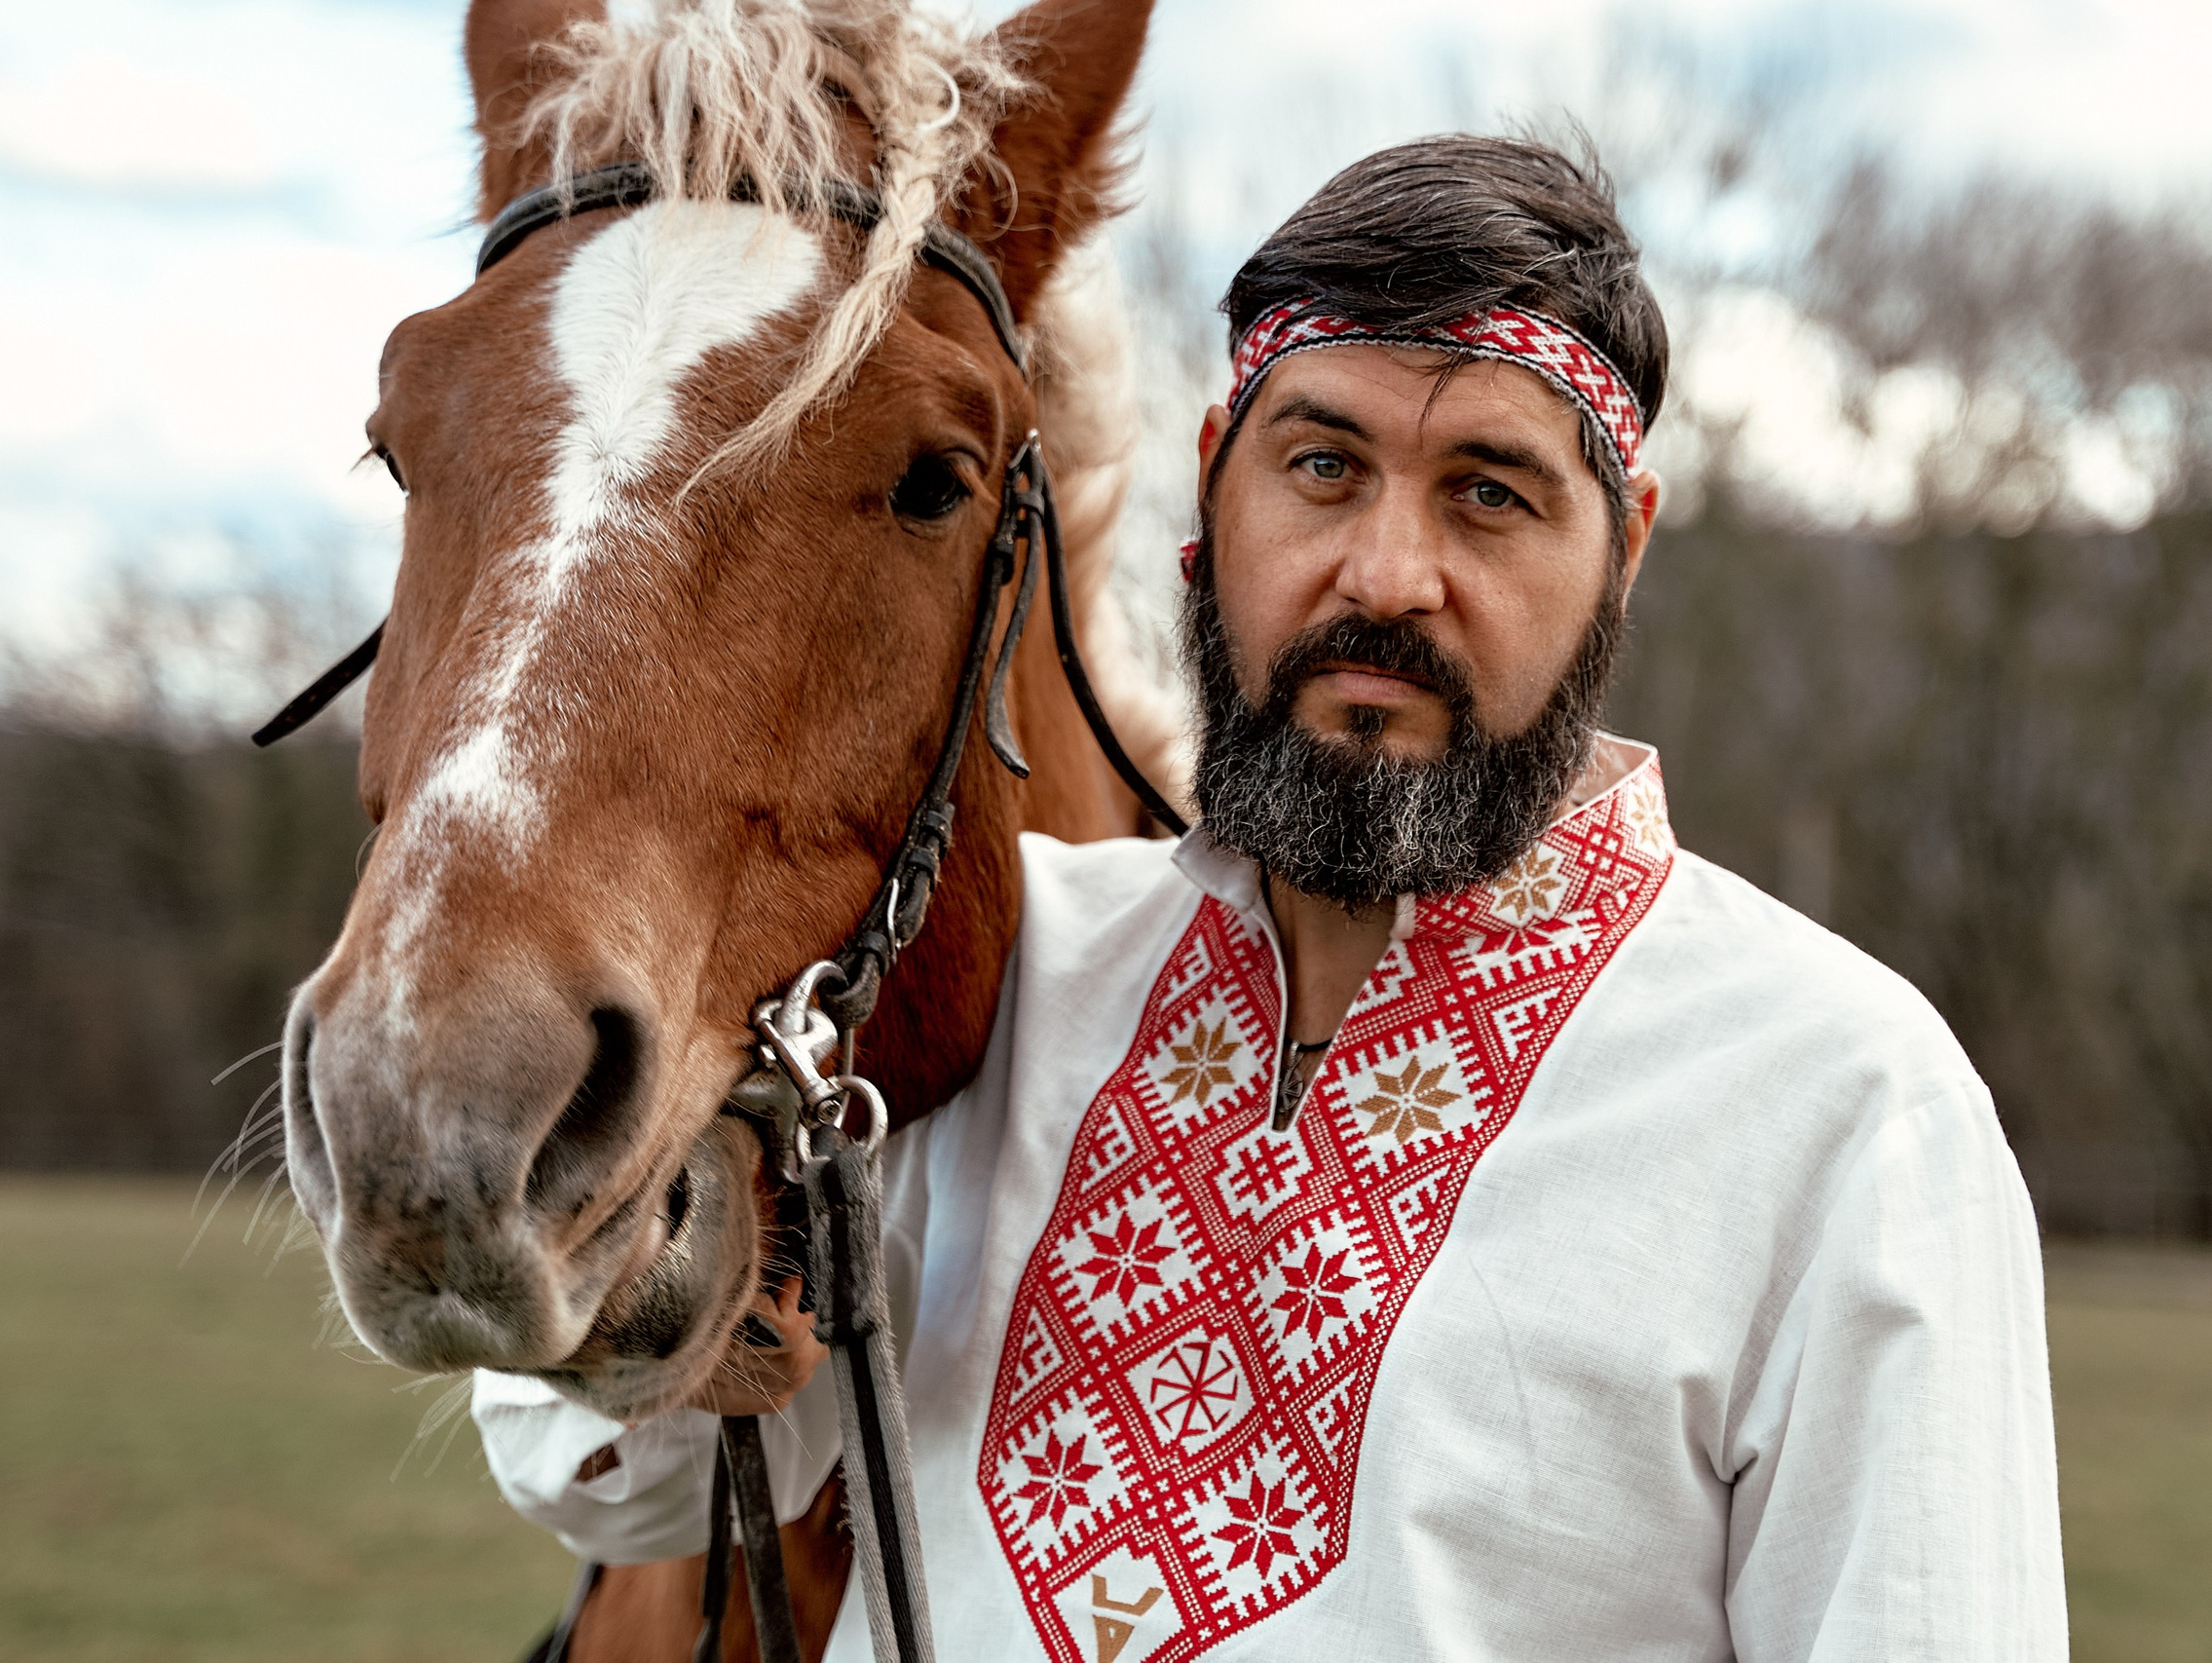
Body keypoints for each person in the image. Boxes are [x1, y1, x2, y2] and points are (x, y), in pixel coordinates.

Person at [470, 136, 2067, 1662]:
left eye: (1491, 493)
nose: (1387, 573)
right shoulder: (1008, 973)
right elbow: (635, 1486)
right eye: (1322, 466)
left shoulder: (1844, 1106)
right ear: (1212, 497)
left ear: (1622, 554)